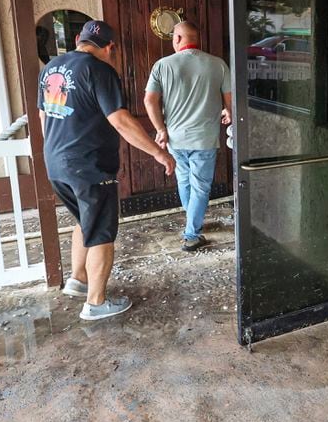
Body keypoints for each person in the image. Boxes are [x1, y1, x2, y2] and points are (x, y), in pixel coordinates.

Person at [38, 20, 175, 321]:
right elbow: (120, 120)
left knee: (83, 220)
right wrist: (158, 153)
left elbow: (44, 115)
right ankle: (96, 303)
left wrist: (59, 150)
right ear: (110, 47)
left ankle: (78, 279)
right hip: (89, 165)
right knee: (101, 231)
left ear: (78, 39)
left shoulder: (51, 68)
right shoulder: (99, 70)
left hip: (55, 162)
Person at [144, 21, 232, 252]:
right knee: (201, 187)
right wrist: (228, 112)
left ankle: (193, 221)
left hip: (175, 139)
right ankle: (192, 233)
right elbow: (230, 102)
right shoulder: (217, 64)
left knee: (184, 181)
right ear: (196, 39)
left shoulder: (162, 65)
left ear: (178, 38)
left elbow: (149, 100)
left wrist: (161, 129)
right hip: (204, 139)